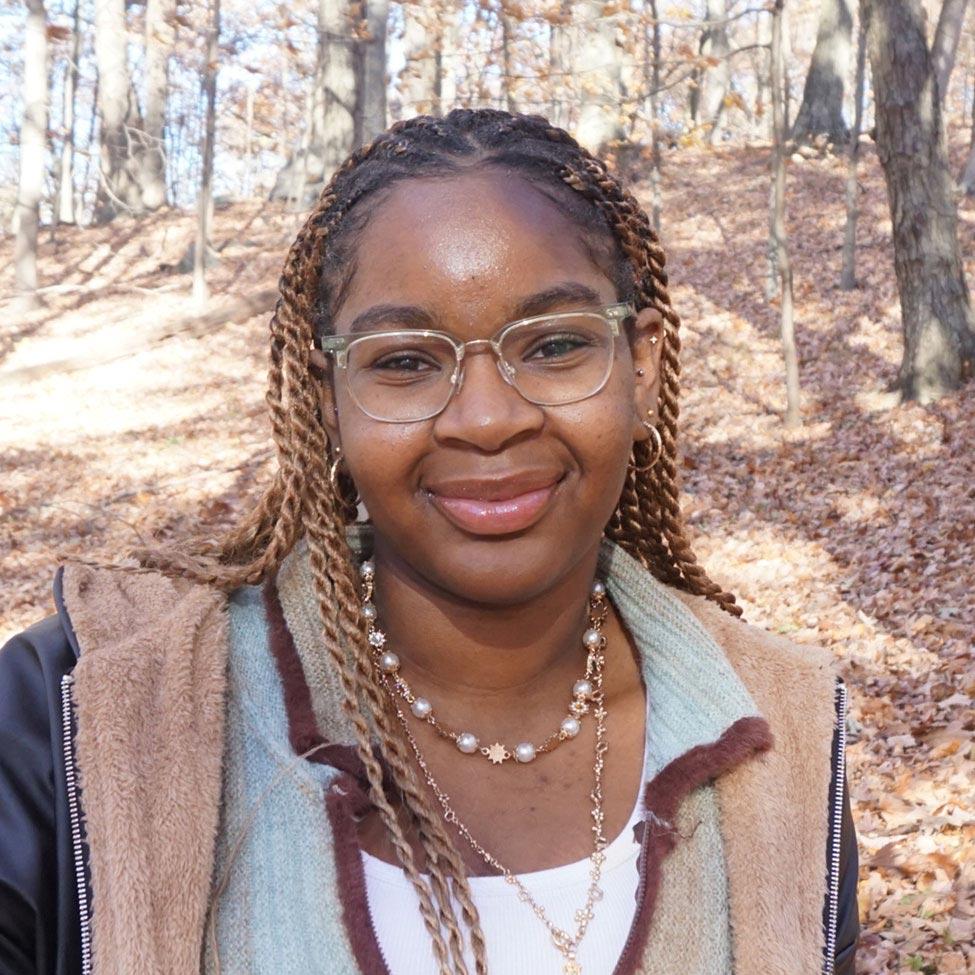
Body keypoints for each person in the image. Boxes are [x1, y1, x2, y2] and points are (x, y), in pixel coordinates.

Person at [0, 108, 859, 975]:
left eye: (555, 345)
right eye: (406, 360)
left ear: (640, 366)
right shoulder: (84, 710)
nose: (487, 418)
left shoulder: (780, 735)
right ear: (327, 394)